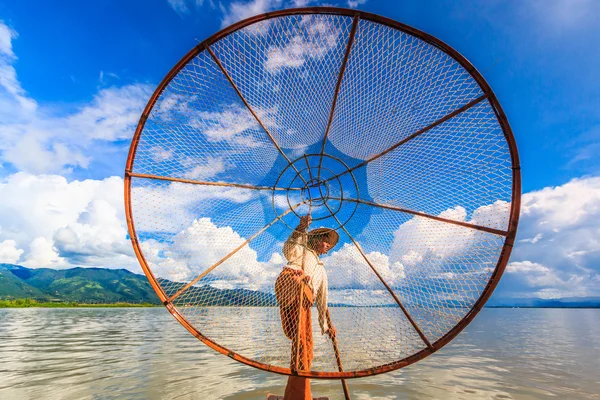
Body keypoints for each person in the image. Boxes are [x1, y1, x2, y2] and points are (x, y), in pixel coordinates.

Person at [274, 215, 339, 400]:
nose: (326, 246)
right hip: (292, 282)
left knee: (304, 346)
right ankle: (299, 396)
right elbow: (289, 249)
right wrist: (301, 228)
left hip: (304, 297)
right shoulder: (303, 250)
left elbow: (322, 300)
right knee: (302, 345)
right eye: (324, 241)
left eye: (328, 244)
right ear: (316, 240)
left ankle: (296, 395)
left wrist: (327, 326)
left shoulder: (321, 269)